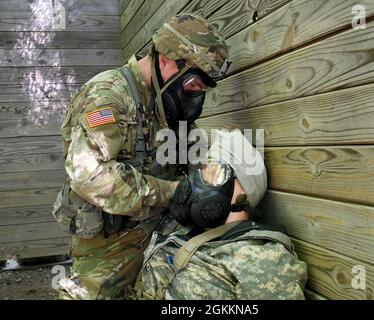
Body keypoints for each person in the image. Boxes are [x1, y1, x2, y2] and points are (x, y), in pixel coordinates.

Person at [51, 13, 230, 300]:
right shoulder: (108, 95)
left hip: (160, 232)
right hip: (111, 245)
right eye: (194, 85)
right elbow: (90, 175)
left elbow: (196, 155)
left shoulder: (168, 103)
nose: (197, 96)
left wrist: (212, 183)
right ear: (165, 61)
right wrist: (171, 192)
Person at [134, 130, 308, 300]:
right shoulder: (183, 231)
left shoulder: (266, 262)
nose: (198, 182)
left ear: (243, 191)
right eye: (202, 171)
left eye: (214, 173)